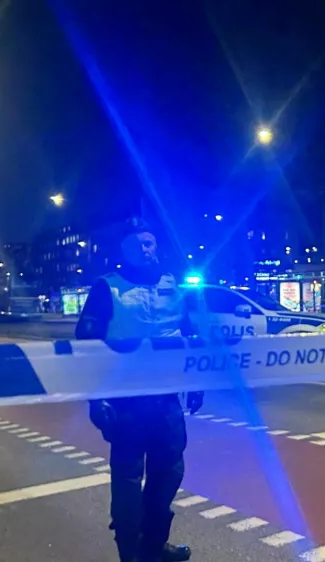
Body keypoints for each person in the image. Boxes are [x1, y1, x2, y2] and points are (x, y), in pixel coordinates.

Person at [75, 218, 203, 562]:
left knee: (169, 472)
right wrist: (95, 398)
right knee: (128, 482)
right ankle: (130, 555)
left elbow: (188, 337)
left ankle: (154, 545)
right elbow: (87, 348)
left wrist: (197, 383)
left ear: (155, 247)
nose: (144, 250)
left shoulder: (172, 285)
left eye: (148, 243)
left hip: (166, 400)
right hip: (125, 402)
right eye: (136, 245)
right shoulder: (107, 288)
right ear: (123, 251)